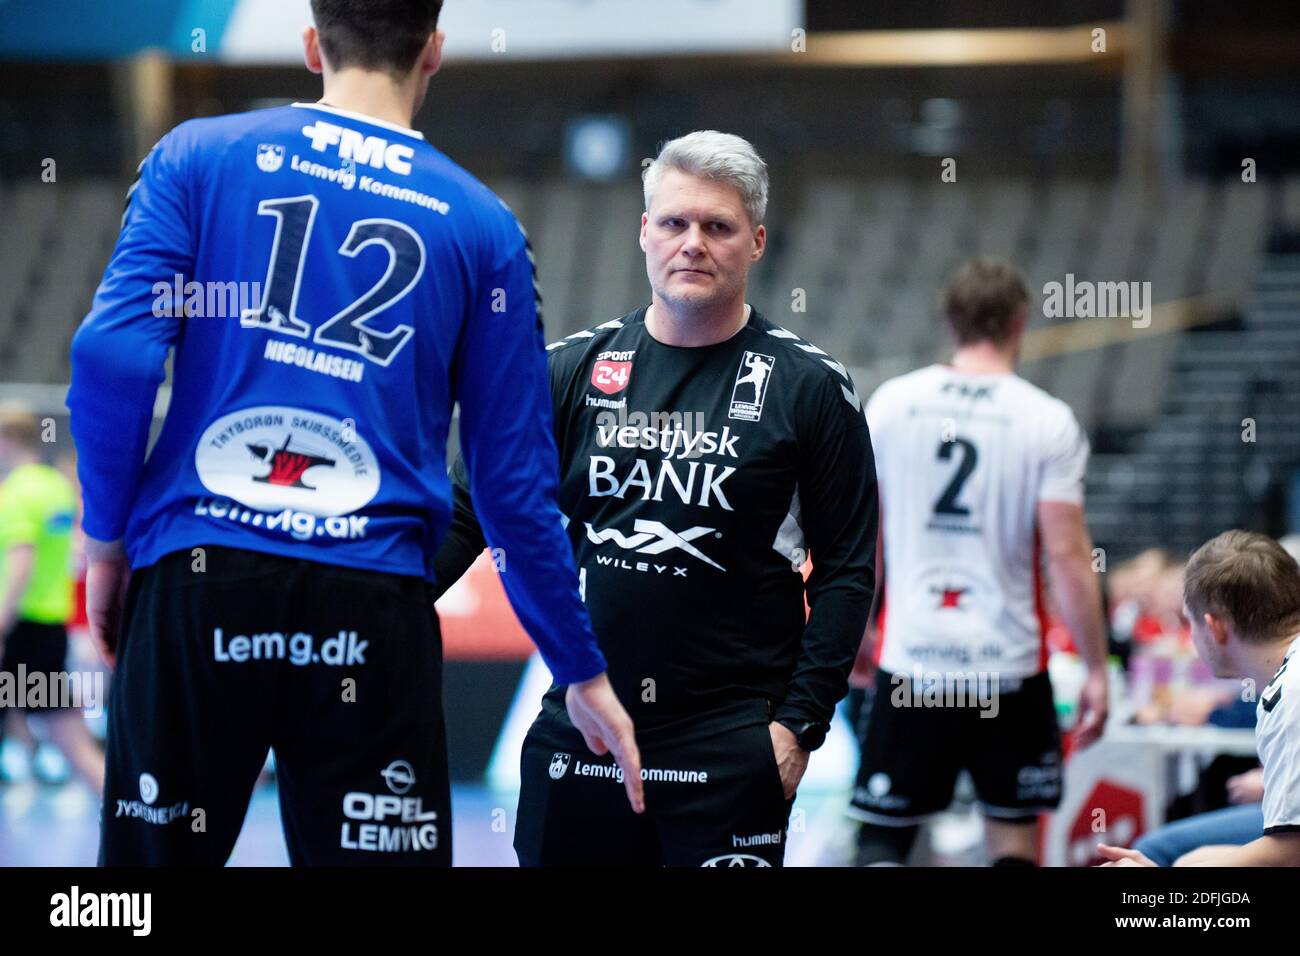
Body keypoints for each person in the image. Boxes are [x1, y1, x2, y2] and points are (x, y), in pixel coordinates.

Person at [67, 0, 640, 867]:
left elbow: (112, 359)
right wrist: (581, 669)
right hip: (369, 606)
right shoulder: (484, 227)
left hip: (197, 575)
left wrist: (104, 537)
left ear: (312, 45)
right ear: (434, 52)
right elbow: (514, 490)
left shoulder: (198, 155)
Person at [431, 130, 878, 867]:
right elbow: (466, 514)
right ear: (645, 231)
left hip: (731, 743)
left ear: (757, 241)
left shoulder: (810, 389)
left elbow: (848, 572)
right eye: (674, 222)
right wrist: (378, 612)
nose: (692, 243)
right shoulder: (566, 373)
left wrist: (799, 730)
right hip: (586, 729)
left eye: (718, 226)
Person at [851, 258, 1109, 867]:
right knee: (1013, 842)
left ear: (949, 321)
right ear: (1020, 322)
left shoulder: (893, 402)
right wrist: (1097, 666)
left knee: (884, 834)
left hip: (914, 660)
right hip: (1008, 668)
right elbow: (1068, 557)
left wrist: (858, 628)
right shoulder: (1046, 418)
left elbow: (867, 536)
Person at [1100, 530, 1300, 866]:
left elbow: (1291, 852)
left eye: (1189, 622)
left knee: (1166, 857)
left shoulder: (1289, 694)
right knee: (1192, 857)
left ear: (1214, 627)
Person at [0, 407, 104, 791]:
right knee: (73, 742)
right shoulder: (56, 489)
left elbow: (21, 563)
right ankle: (129, 822)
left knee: (65, 735)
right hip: (49, 628)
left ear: (7, 441)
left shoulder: (15, 493)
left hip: (18, 628)